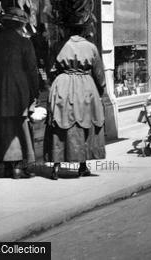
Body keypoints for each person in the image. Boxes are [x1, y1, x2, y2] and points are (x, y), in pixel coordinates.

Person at [0, 8, 39, 179]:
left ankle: (8, 167)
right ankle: (20, 166)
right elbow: (32, 70)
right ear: (21, 24)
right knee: (20, 125)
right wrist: (34, 91)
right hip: (18, 87)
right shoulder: (24, 43)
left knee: (3, 125)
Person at [44, 18, 105, 180]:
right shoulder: (91, 47)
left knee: (60, 124)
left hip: (63, 85)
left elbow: (50, 69)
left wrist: (57, 81)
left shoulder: (58, 46)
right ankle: (82, 166)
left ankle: (56, 166)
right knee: (84, 124)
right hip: (85, 85)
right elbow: (99, 73)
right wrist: (100, 90)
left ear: (66, 30)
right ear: (83, 30)